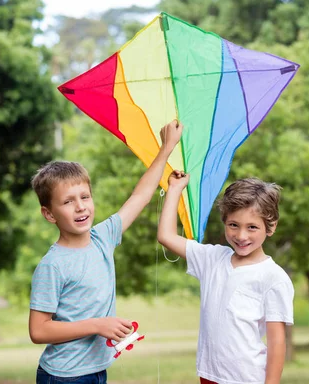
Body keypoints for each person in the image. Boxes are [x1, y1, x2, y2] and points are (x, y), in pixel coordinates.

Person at [28, 120, 182, 383]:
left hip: (96, 370)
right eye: (68, 202)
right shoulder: (52, 265)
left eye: (85, 197)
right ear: (49, 214)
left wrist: (166, 149)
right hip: (65, 376)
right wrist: (98, 325)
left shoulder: (103, 238)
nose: (80, 207)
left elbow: (140, 196)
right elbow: (38, 330)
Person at [158, 174, 294, 384]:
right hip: (209, 376)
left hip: (246, 379)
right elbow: (166, 236)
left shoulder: (273, 277)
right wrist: (175, 189)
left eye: (252, 227)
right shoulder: (212, 259)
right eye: (233, 225)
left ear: (271, 226)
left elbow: (277, 342)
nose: (241, 236)